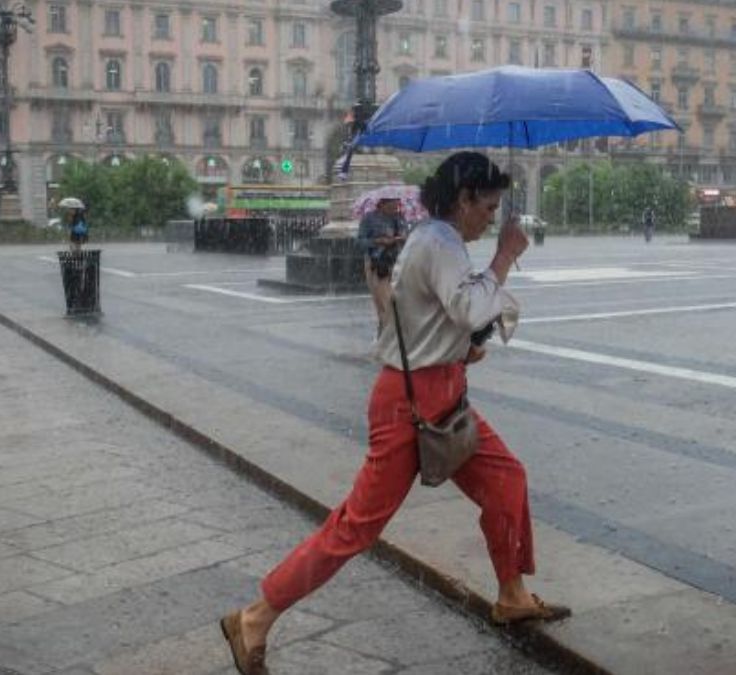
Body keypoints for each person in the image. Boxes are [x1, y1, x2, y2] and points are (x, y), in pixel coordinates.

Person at [219, 152, 569, 675]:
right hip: (410, 405)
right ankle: (255, 617)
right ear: (464, 198)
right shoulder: (438, 243)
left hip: (440, 391)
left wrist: (461, 346)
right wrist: (504, 257)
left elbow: (436, 318)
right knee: (355, 527)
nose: (493, 217)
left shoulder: (437, 240)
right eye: (489, 206)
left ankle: (512, 592)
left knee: (506, 480)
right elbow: (472, 306)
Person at [357, 196, 406, 334]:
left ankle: (385, 335)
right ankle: (388, 337)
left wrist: (401, 238)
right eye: (392, 205)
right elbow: (360, 241)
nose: (395, 208)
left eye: (397, 205)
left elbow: (406, 235)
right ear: (382, 204)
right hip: (378, 264)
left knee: (397, 304)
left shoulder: (399, 217)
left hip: (397, 263)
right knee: (386, 304)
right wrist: (379, 241)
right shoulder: (369, 218)